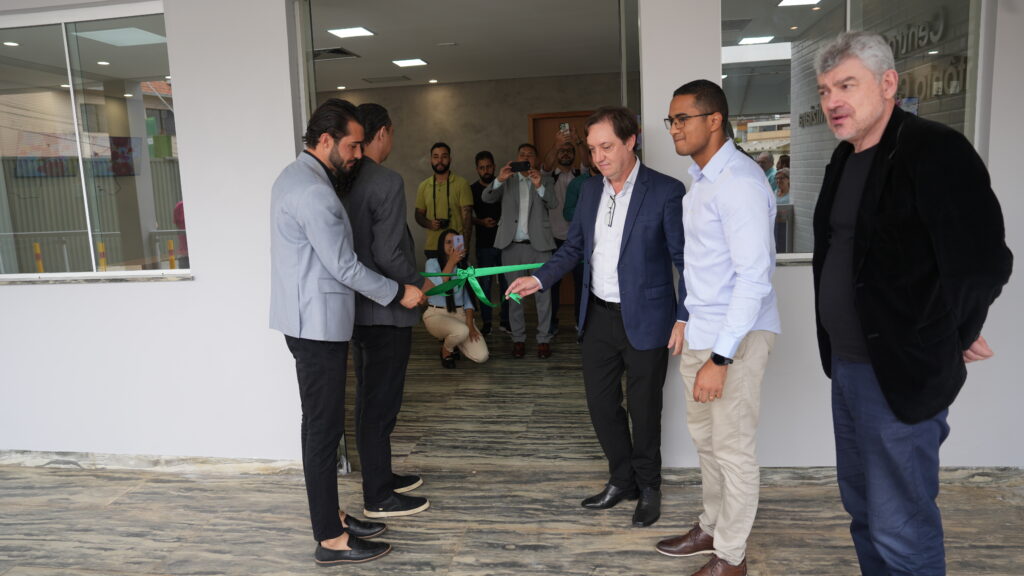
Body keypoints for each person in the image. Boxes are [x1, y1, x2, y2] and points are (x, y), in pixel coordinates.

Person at [812, 31, 1012, 576]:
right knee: (863, 511)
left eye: (846, 85)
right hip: (848, 366)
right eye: (825, 90)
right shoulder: (844, 158)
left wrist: (952, 336)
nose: (832, 101)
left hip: (898, 373)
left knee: (901, 524)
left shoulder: (934, 149)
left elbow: (984, 262)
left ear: (888, 83)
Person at [506, 106, 687, 528]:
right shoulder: (589, 191)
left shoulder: (666, 191)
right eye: (592, 149)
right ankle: (622, 480)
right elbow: (573, 249)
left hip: (648, 319)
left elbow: (685, 261)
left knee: (644, 410)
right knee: (602, 406)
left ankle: (649, 487)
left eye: (606, 147)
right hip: (598, 316)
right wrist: (539, 278)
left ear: (631, 141)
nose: (598, 157)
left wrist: (684, 317)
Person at [269, 98, 423, 565]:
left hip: (305, 319)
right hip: (316, 325)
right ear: (325, 140)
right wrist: (399, 292)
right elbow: (345, 266)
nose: (359, 154)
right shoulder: (314, 192)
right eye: (353, 145)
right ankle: (331, 539)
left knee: (320, 427)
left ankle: (330, 517)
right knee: (323, 430)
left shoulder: (294, 176)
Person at [654, 80, 780, 576]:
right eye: (671, 120)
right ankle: (712, 526)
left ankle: (731, 557)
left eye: (682, 118)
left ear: (714, 120)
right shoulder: (701, 181)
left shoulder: (739, 183)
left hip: (735, 340)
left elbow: (753, 278)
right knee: (708, 445)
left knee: (733, 450)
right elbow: (702, 266)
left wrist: (721, 357)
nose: (674, 128)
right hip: (703, 332)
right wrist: (686, 318)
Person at [347, 103, 431, 520]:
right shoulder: (386, 180)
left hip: (356, 309)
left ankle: (379, 476)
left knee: (368, 400)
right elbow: (388, 252)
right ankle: (378, 495)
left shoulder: (342, 179)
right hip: (388, 310)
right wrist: (415, 284)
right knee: (381, 405)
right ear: (383, 132)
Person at [481, 143, 557, 359]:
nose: (526, 158)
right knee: (514, 296)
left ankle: (544, 339)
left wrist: (539, 185)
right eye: (522, 155)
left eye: (530, 155)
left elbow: (553, 203)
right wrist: (500, 179)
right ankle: (518, 339)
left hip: (539, 247)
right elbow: (487, 197)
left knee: (544, 296)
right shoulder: (508, 180)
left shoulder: (545, 179)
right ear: (516, 158)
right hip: (511, 246)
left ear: (536, 160)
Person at [423, 229, 490, 368]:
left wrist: (470, 324)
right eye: (448, 242)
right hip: (436, 314)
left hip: (460, 314)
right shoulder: (432, 263)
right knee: (461, 331)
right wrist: (452, 262)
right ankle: (446, 350)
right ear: (441, 245)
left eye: (455, 242)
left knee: (482, 356)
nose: (452, 245)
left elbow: (468, 298)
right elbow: (440, 285)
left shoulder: (465, 266)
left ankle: (455, 340)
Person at [541, 130, 585, 336]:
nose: (566, 153)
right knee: (552, 284)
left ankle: (580, 323)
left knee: (582, 284)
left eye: (569, 150)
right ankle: (551, 324)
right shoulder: (549, 176)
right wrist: (556, 144)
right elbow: (546, 165)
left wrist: (580, 143)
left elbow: (588, 162)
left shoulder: (581, 175)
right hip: (554, 239)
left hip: (579, 240)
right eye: (562, 150)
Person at [470, 150, 510, 336]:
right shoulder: (472, 189)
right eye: (482, 168)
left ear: (494, 167)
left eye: (488, 167)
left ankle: (506, 321)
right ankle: (487, 322)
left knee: (507, 284)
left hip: (505, 243)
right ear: (477, 169)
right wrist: (481, 221)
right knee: (484, 286)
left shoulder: (503, 185)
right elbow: (466, 217)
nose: (486, 170)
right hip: (484, 244)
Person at [415, 142, 473, 258]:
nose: (440, 161)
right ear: (431, 160)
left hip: (457, 245)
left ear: (450, 159)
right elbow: (418, 214)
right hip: (432, 246)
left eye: (444, 157)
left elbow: (467, 218)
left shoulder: (462, 184)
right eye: (436, 157)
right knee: (433, 271)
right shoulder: (423, 186)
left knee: (458, 272)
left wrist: (464, 246)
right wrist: (429, 224)